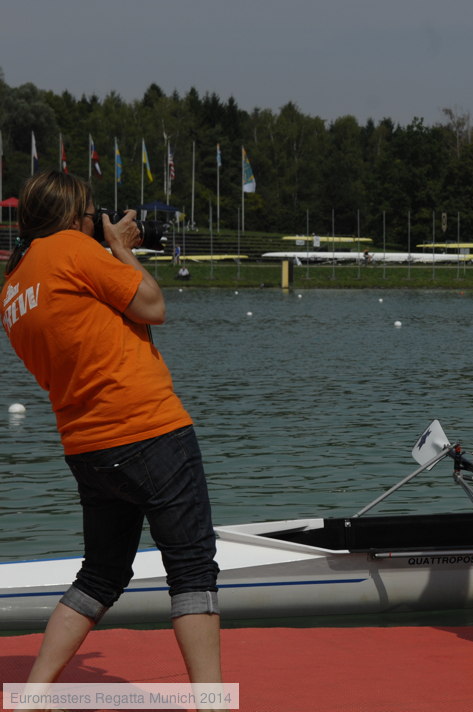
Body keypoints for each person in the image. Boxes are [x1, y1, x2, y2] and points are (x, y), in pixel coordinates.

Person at [2, 171, 223, 703]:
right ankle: (213, 701)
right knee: (192, 566)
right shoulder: (74, 250)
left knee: (101, 575)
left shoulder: (11, 287)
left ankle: (32, 696)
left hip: (86, 444)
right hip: (148, 428)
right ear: (75, 214)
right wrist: (121, 249)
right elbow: (152, 306)